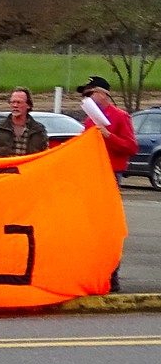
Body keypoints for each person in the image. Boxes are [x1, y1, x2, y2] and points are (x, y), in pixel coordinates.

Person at [77, 75, 137, 293]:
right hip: (92, 174)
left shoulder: (120, 117)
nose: (87, 98)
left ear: (102, 94)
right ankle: (94, 272)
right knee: (92, 227)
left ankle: (113, 275)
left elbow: (131, 147)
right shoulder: (89, 120)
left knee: (110, 226)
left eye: (90, 93)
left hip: (111, 173)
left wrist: (109, 136)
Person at [0, 86, 48, 158]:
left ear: (28, 105)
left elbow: (45, 157)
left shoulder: (38, 130)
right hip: (4, 169)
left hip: (28, 168)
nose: (15, 105)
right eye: (13, 102)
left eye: (19, 102)